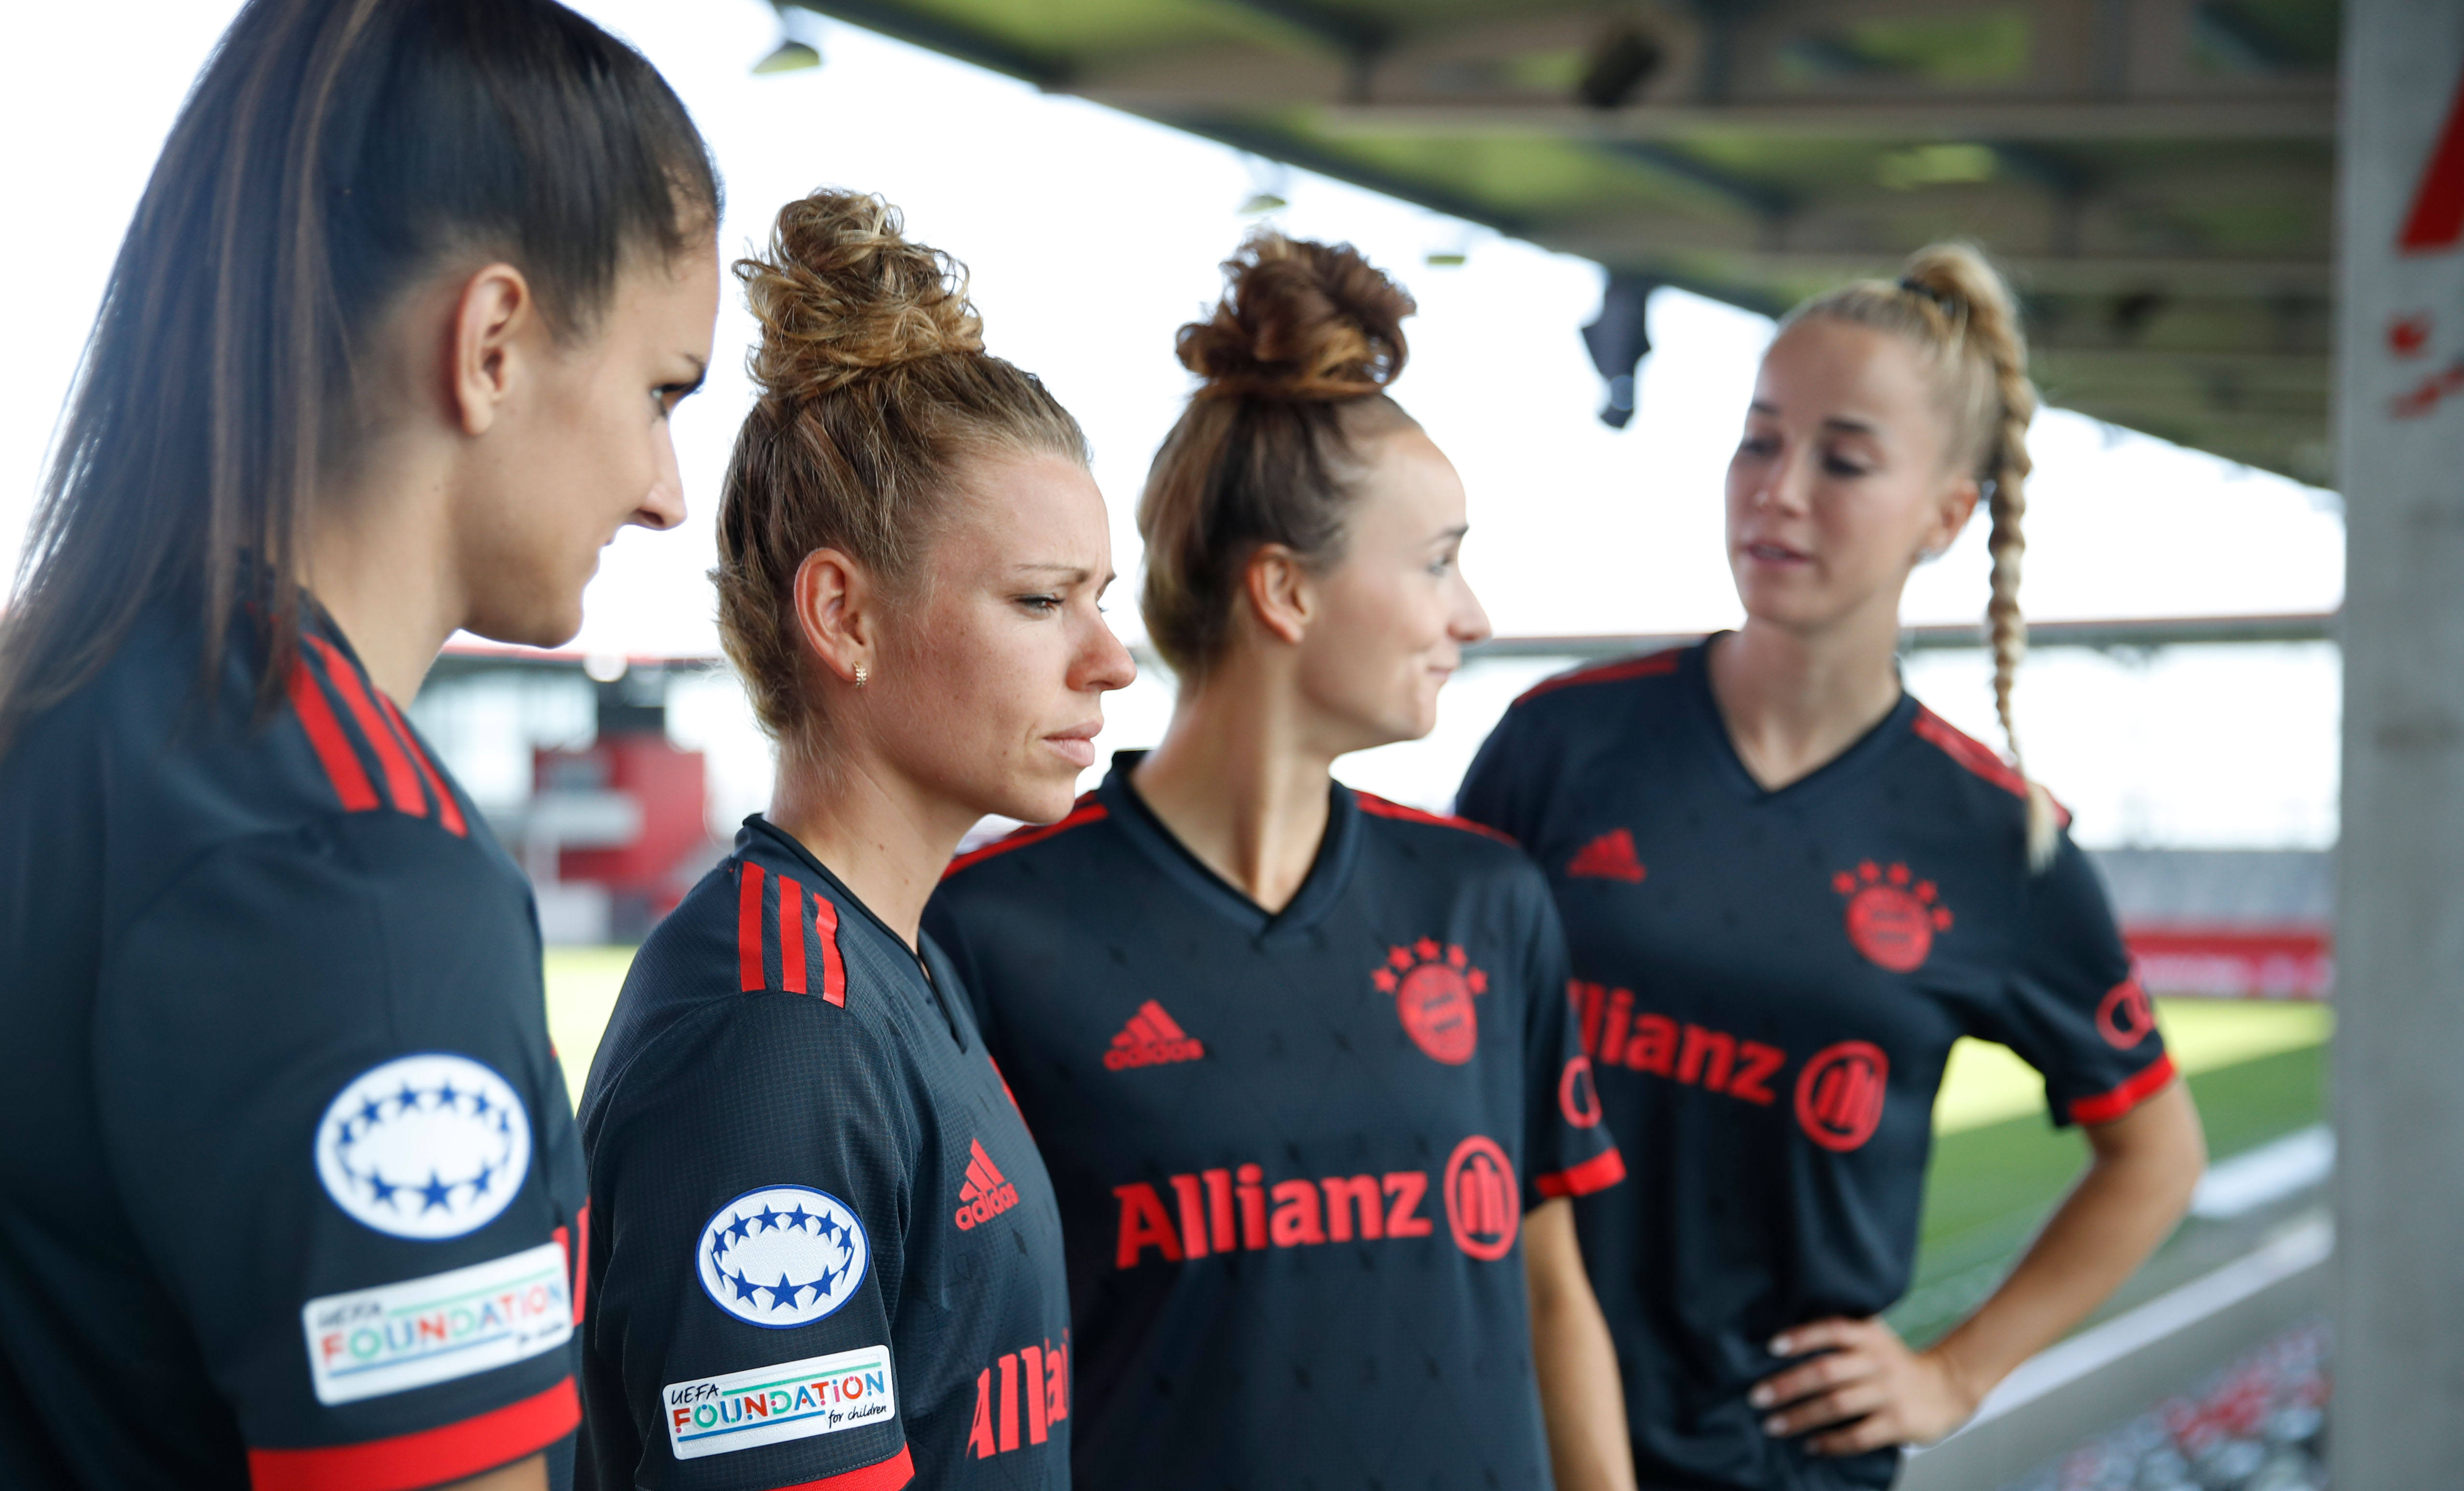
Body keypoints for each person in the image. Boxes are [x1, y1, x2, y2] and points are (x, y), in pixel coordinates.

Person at [0, 2, 721, 1489]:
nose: (666, 490)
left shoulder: (78, 718)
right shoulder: (347, 867)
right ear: (495, 345)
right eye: (663, 393)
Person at [1457, 245, 2210, 1489]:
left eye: (1844, 459)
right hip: (1501, 1429)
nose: (1780, 490)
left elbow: (2158, 1153)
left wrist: (1953, 1373)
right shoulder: (1565, 741)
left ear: (1946, 516)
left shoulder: (1995, 842)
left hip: (1777, 1466)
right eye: (1759, 441)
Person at [924, 232, 1636, 1491]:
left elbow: (1552, 1291)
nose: (1471, 615)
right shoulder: (987, 929)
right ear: (1284, 591)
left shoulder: (1486, 901)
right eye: (1435, 561)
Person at [575, 190, 1132, 1491]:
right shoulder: (778, 1031)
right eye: (1043, 600)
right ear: (844, 614)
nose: (1109, 658)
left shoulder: (884, 964)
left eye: (1101, 600)